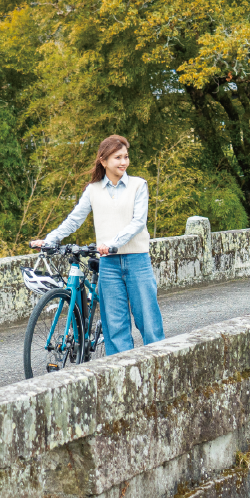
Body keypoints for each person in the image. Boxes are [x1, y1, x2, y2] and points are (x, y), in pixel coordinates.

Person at [30, 134, 165, 355]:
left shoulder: (139, 186)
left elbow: (138, 222)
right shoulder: (93, 190)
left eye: (126, 157)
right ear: (103, 161)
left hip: (137, 260)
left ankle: (160, 374)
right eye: (117, 157)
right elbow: (74, 220)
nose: (124, 162)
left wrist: (112, 243)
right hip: (109, 265)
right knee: (115, 329)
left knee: (149, 323)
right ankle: (121, 380)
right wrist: (50, 239)